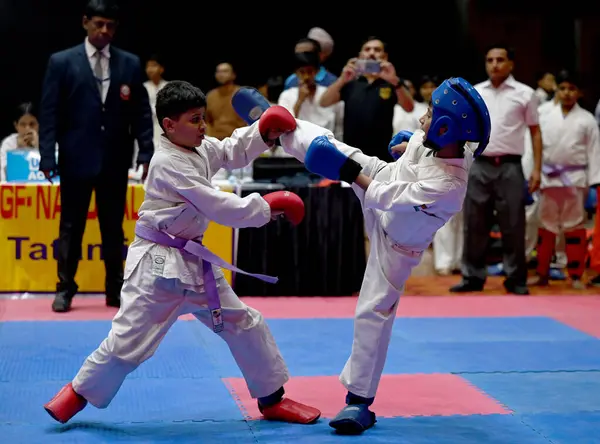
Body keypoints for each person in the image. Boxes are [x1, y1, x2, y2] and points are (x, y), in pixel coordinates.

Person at [42, 81, 321, 426]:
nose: (202, 126)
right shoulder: (166, 163)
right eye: (194, 120)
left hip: (193, 262)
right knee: (127, 343)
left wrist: (261, 133)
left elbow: (230, 150)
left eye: (203, 118)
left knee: (245, 323)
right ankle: (77, 393)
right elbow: (218, 205)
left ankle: (272, 399)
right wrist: (267, 205)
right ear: (169, 125)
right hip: (156, 269)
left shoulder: (199, 147)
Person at [252, 77, 491, 434]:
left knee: (373, 311)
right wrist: (408, 142)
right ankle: (280, 125)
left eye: (428, 115)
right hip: (384, 177)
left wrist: (347, 173)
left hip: (395, 244)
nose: (422, 118)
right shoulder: (445, 141)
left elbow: (382, 196)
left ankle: (359, 402)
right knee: (333, 146)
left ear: (445, 128)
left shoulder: (449, 185)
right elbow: (410, 157)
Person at [39, 0, 154, 312]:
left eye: (111, 26)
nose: (105, 31)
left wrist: (146, 150)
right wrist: (46, 156)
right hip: (75, 158)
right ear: (85, 22)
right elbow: (48, 113)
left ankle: (115, 289)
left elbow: (142, 112)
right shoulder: (61, 62)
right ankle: (65, 287)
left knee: (113, 228)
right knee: (71, 227)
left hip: (115, 158)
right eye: (99, 24)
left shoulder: (129, 63)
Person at [528, 71, 600, 289]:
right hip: (548, 178)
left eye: (572, 89)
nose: (567, 93)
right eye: (563, 88)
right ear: (556, 90)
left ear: (579, 93)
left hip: (575, 178)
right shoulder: (542, 113)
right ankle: (542, 273)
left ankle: (576, 275)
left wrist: (595, 182)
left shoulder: (587, 120)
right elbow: (533, 148)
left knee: (574, 227)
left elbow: (594, 151)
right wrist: (534, 172)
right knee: (546, 226)